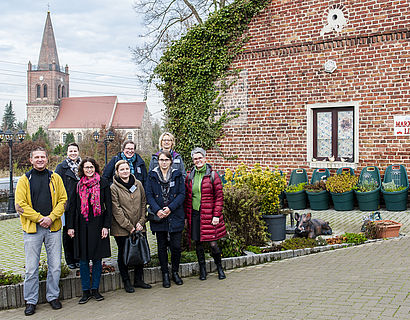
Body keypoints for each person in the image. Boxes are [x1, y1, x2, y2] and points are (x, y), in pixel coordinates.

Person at [15, 147, 67, 316]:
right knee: (31, 269)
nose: (39, 159)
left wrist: (51, 218)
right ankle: (31, 301)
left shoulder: (55, 177)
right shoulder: (24, 179)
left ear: (47, 159)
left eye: (42, 157)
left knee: (55, 267)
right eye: (36, 157)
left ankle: (53, 297)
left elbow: (63, 200)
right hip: (32, 230)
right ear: (31, 160)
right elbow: (20, 205)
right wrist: (39, 219)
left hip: (53, 228)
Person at [67, 157, 112, 304]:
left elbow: (109, 207)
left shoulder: (103, 183)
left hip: (98, 225)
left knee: (97, 259)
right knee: (84, 260)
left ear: (95, 168)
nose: (89, 170)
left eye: (91, 167)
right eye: (86, 167)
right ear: (82, 170)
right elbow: (72, 207)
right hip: (81, 225)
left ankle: (95, 290)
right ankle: (85, 291)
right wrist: (70, 227)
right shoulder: (78, 185)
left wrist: (106, 226)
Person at [184, 147, 227, 281]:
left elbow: (219, 197)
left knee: (213, 244)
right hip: (195, 214)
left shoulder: (213, 175)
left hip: (210, 214)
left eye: (200, 158)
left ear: (205, 158)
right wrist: (186, 216)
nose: (198, 161)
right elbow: (187, 197)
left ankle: (219, 267)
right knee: (198, 243)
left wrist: (216, 215)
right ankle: (202, 270)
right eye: (195, 159)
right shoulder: (189, 176)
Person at [110, 160, 152, 293]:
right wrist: (129, 227)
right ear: (117, 172)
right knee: (124, 254)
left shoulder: (138, 184)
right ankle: (127, 281)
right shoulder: (114, 188)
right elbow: (116, 210)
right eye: (121, 169)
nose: (125, 171)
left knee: (139, 251)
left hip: (139, 226)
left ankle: (139, 280)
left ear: (130, 170)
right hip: (122, 229)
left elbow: (143, 202)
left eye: (127, 169)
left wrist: (141, 221)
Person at [145, 150, 185, 288]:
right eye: (161, 160)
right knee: (161, 247)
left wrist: (171, 208)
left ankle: (174, 272)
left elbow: (181, 194)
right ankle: (165, 274)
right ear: (158, 161)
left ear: (170, 161)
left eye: (166, 160)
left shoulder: (177, 174)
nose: (163, 162)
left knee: (176, 246)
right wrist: (157, 210)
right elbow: (148, 194)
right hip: (159, 216)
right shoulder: (152, 175)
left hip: (174, 214)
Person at [54, 142, 81, 270]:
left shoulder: (83, 166)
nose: (73, 153)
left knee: (79, 232)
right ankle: (70, 259)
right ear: (67, 153)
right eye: (70, 151)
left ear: (78, 152)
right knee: (67, 233)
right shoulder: (61, 168)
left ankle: (79, 257)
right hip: (67, 205)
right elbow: (55, 186)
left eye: (75, 151)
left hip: (81, 204)